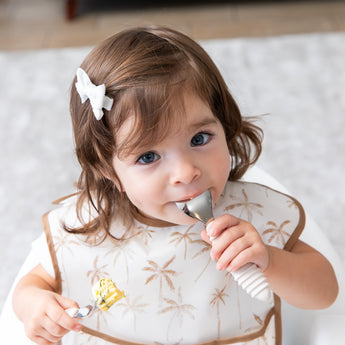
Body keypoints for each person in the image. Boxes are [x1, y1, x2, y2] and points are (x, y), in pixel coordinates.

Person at [12, 26, 338, 345]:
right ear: (109, 172)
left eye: (199, 138)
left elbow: (324, 293)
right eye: (148, 156)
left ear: (225, 125)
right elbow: (30, 285)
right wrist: (36, 307)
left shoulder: (254, 215)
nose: (185, 172)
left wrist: (267, 259)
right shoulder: (91, 224)